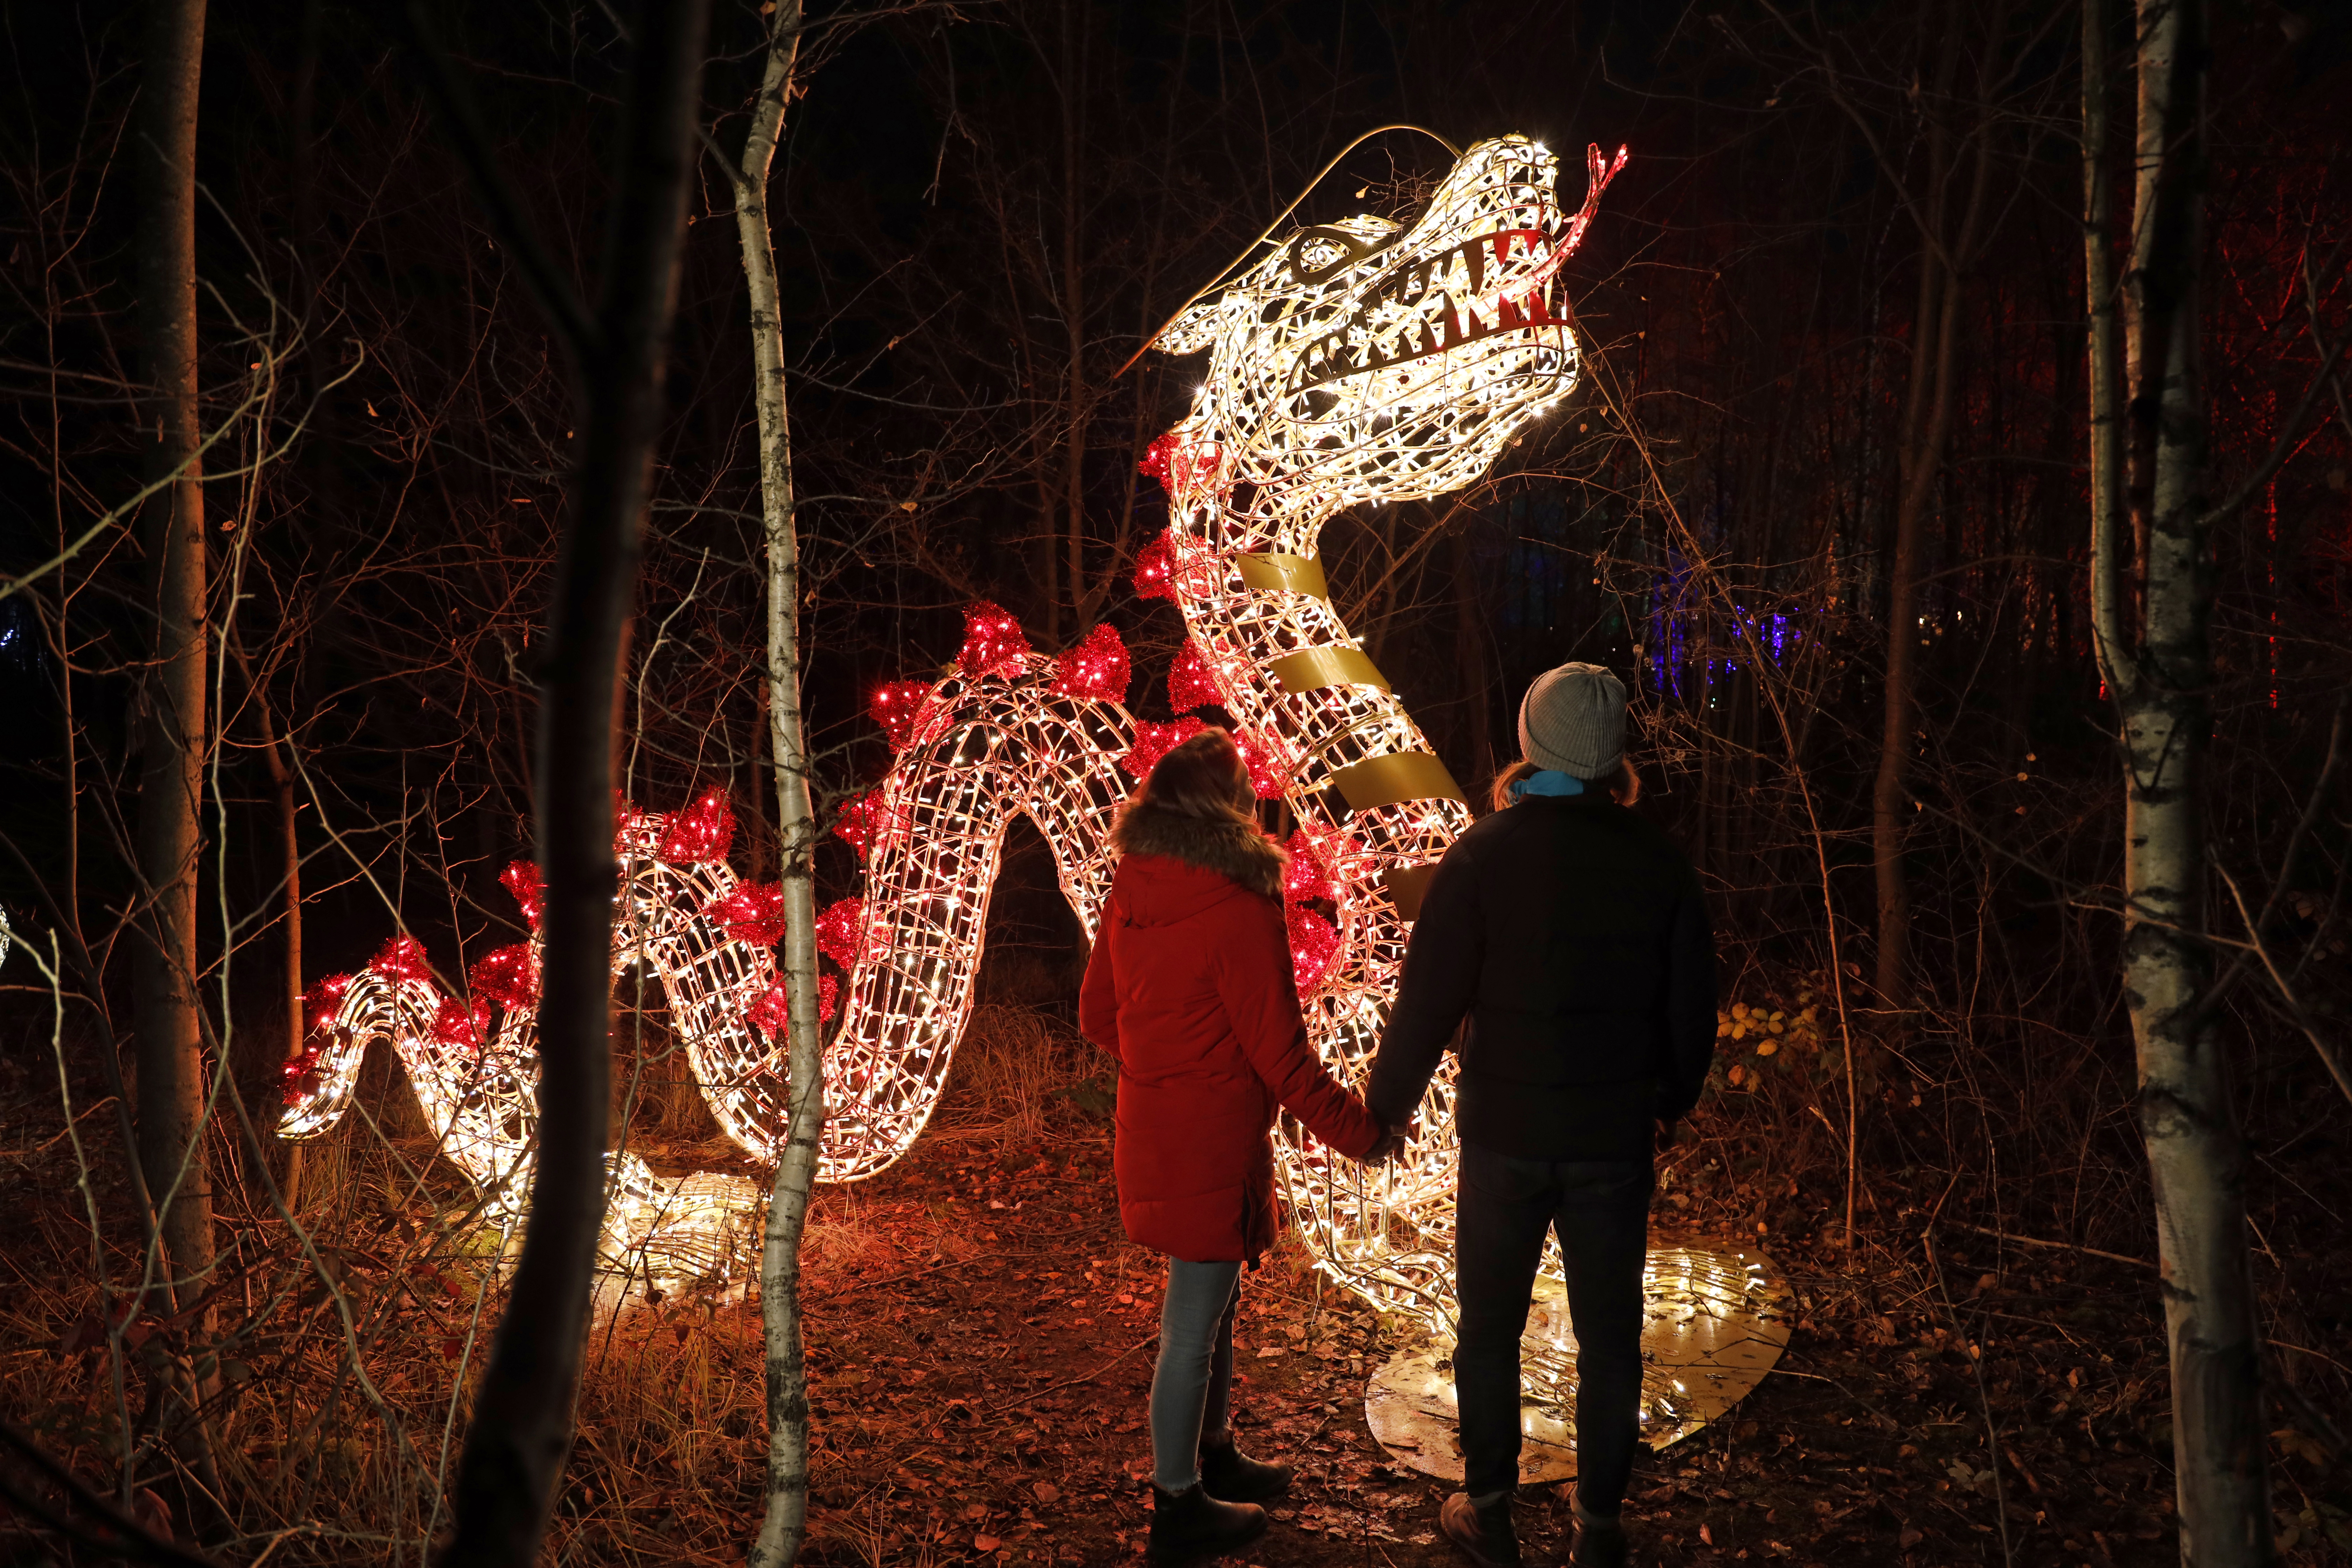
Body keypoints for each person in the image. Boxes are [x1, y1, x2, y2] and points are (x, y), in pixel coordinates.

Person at [1366, 663, 1717, 1568]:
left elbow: (1425, 1007)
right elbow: (1691, 1014)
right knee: (1610, 1338)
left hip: (1504, 1139)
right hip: (1611, 1141)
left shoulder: (1483, 857)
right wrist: (1667, 1103)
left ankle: (1489, 1511)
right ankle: (1598, 1528)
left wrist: (1385, 1113)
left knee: (1490, 1327)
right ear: (1611, 757)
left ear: (1532, 745)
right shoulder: (1658, 862)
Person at [1080, 728, 1404, 1565]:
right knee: (1192, 1323)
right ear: (1231, 806)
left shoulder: (1132, 885)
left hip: (1152, 1125)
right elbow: (1282, 1055)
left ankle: (1212, 1452)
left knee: (1213, 1302)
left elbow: (1096, 1015)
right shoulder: (1237, 902)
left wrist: (1165, 1066)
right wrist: (1360, 1132)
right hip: (1211, 1137)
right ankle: (1177, 1503)